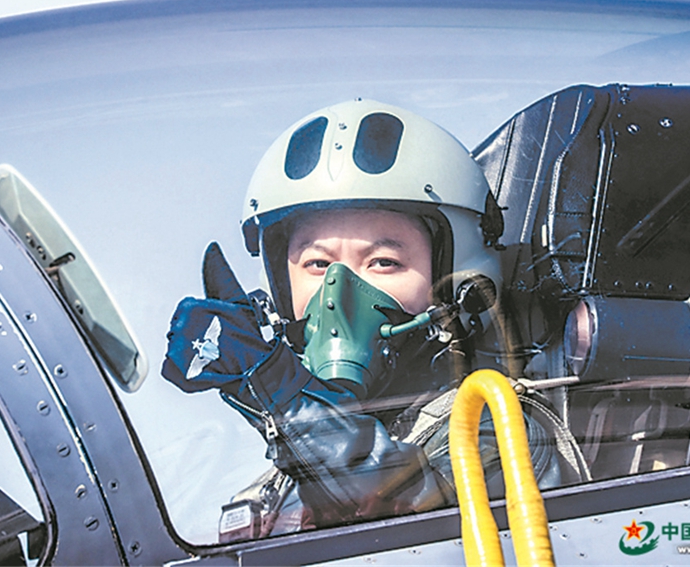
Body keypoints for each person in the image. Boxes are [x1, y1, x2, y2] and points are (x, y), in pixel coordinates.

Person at [162, 99, 561, 540]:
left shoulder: (495, 433)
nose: (338, 294)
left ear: (456, 280)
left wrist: (280, 390)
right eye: (317, 264)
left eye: (383, 262)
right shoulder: (277, 484)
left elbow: (388, 511)